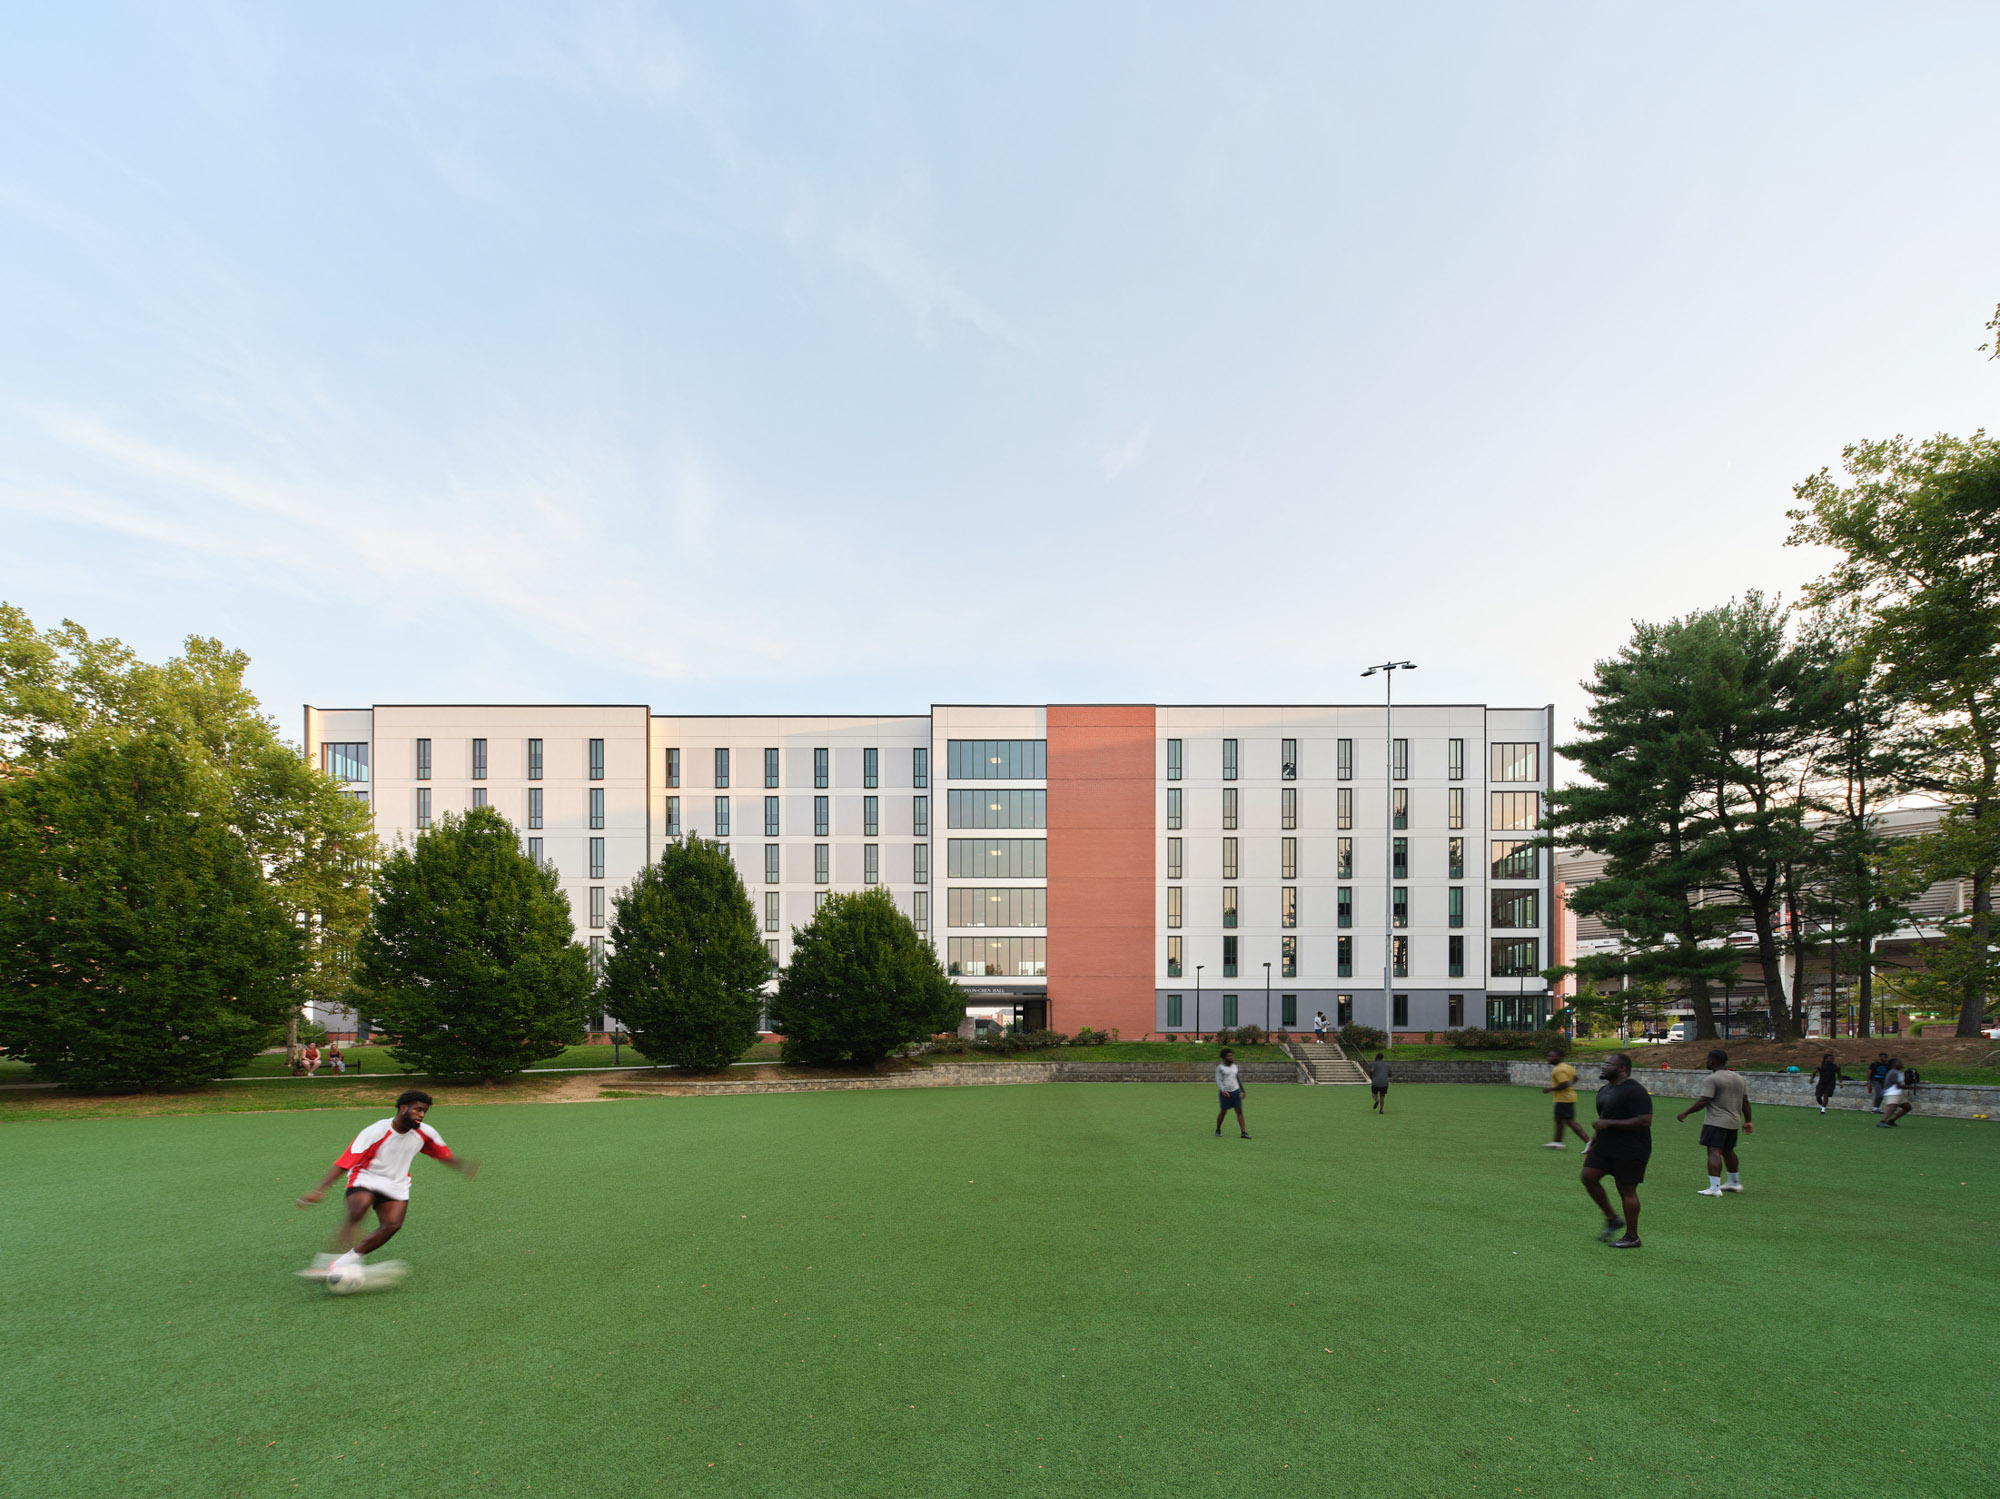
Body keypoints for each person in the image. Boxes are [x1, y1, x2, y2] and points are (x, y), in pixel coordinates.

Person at [295, 1090, 479, 1279]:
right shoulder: (375, 1131)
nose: (422, 1115)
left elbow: (442, 1154)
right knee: (357, 1211)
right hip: (366, 1177)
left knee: (392, 1225)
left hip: (396, 1184)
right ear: (403, 1108)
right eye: (418, 1110)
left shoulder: (425, 1133)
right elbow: (345, 1161)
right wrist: (320, 1190)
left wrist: (462, 1166)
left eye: (424, 1111)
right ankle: (325, 1263)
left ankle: (342, 1263)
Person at [1581, 1053, 1651, 1249]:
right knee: (1588, 1176)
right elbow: (1604, 1118)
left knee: (1626, 1190)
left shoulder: (1635, 1091)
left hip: (1631, 1147)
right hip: (1605, 1145)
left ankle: (1632, 1237)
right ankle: (1612, 1219)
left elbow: (1644, 1120)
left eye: (1608, 1064)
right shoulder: (1604, 1090)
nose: (1603, 1067)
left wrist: (1608, 1123)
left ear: (1622, 1068)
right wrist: (1592, 1144)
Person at [1676, 1048, 1752, 1195]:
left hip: (1716, 1121)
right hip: (1733, 1121)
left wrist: (1685, 1112)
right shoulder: (1739, 1078)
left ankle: (1714, 1188)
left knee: (1713, 1151)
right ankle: (1734, 1183)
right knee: (1728, 1151)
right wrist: (1748, 1120)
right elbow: (1745, 1101)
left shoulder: (1712, 1079)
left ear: (1711, 1061)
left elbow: (1705, 1100)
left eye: (1707, 1059)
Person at [1541, 1047, 1589, 1149]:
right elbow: (1574, 1079)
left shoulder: (1559, 1069)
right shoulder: (1568, 1067)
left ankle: (1589, 1143)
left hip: (1564, 1098)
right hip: (1565, 1098)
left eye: (1553, 1056)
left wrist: (1550, 1089)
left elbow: (1564, 1084)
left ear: (1560, 1057)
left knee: (1569, 1121)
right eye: (1549, 1056)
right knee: (1558, 1120)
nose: (1549, 1058)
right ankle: (1557, 1142)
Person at [1214, 1049, 1249, 1138]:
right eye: (1229, 1056)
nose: (1231, 1057)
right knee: (1223, 1111)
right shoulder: (1220, 1068)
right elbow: (1218, 1080)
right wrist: (1223, 1090)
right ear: (1224, 1057)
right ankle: (1218, 1130)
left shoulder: (1234, 1066)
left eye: (1231, 1055)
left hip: (1235, 1091)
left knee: (1239, 1111)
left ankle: (1243, 1132)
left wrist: (1242, 1090)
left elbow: (1237, 1078)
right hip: (1226, 1093)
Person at [1877, 1060, 1911, 1127]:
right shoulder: (1893, 1072)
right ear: (1894, 1064)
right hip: (1891, 1092)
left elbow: (1900, 1083)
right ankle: (1882, 1121)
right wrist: (1911, 1087)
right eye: (1899, 1063)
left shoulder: (1898, 1072)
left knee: (1907, 1107)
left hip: (1897, 1093)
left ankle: (1891, 1121)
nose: (1901, 1064)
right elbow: (1898, 1085)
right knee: (1892, 1107)